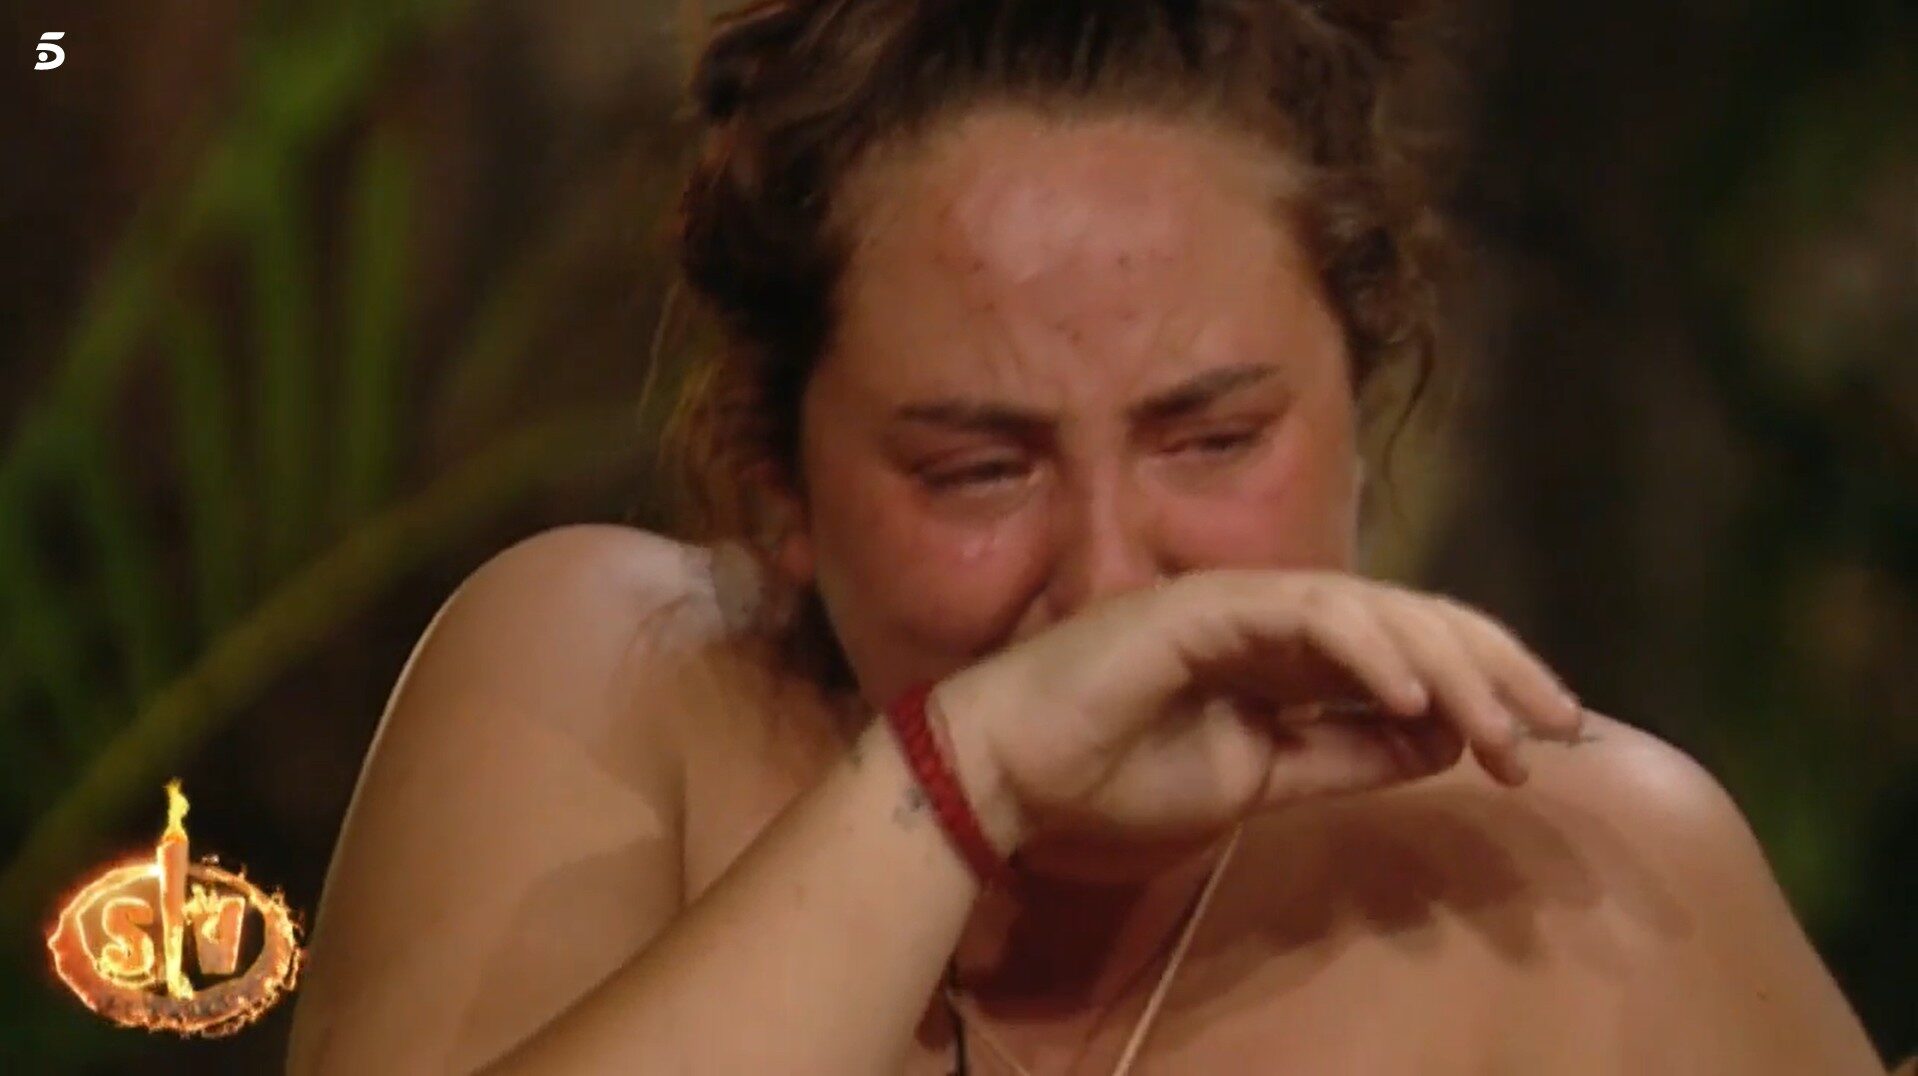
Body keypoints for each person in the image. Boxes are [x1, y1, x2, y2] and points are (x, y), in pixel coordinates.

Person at [284, 1, 1886, 1072]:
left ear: (1363, 400)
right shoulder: (607, 680)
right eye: (978, 471)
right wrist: (959, 781)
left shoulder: (1572, 873)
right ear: (781, 483)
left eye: (1212, 441)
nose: (1113, 579)